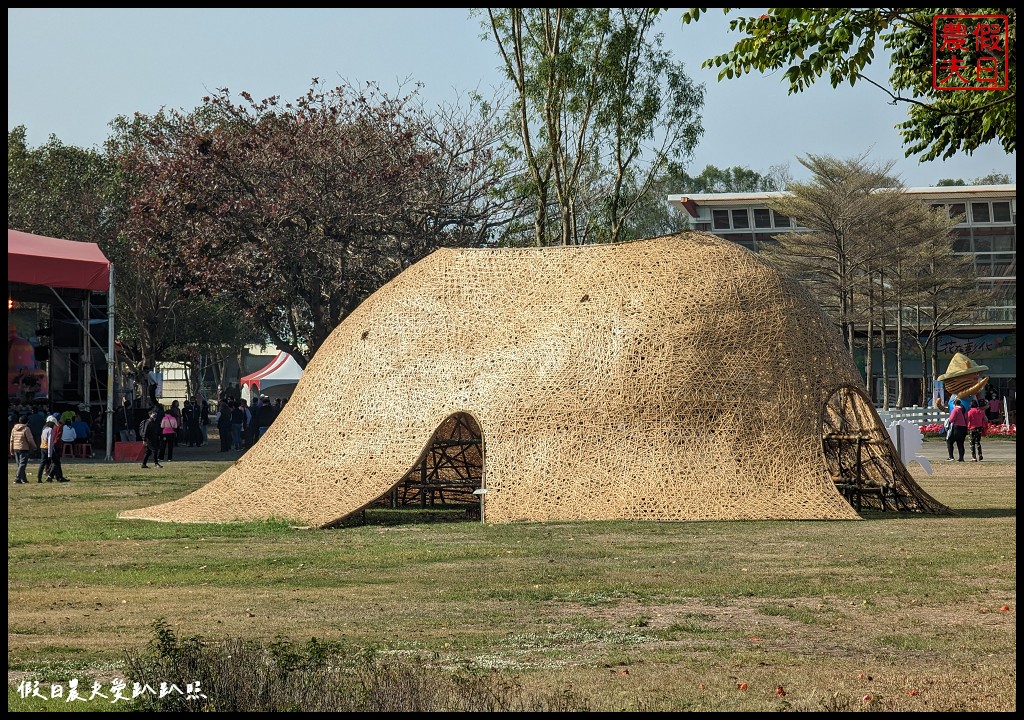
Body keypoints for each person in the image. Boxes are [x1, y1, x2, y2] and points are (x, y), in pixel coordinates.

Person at [10, 414, 37, 484]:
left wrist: (11, 450)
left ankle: (23, 479)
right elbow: (30, 439)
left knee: (19, 464)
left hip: (15, 448)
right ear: (27, 422)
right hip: (23, 448)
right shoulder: (26, 429)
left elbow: (11, 440)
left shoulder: (14, 428)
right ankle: (17, 478)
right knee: (22, 464)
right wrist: (34, 446)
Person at [47, 415, 68, 482]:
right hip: (56, 445)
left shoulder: (50, 426)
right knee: (56, 462)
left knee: (55, 462)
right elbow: (58, 436)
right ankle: (53, 475)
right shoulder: (59, 426)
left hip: (52, 444)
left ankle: (57, 476)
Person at [37, 416, 55, 482]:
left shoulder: (44, 428)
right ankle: (50, 475)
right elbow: (50, 442)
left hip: (42, 447)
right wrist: (50, 454)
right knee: (54, 462)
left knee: (42, 463)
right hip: (47, 448)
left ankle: (39, 477)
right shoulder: (50, 430)